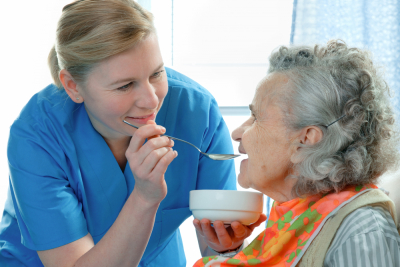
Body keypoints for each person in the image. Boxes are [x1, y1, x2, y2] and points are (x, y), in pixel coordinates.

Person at [0, 1, 265, 266]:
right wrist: (145, 197)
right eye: (125, 86)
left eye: (157, 73)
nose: (152, 101)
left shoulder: (198, 114)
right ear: (73, 86)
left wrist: (227, 246)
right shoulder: (36, 136)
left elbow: (216, 242)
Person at [194, 40, 400, 266]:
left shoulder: (361, 230)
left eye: (256, 118)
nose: (237, 132)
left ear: (305, 140)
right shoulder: (294, 218)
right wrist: (229, 252)